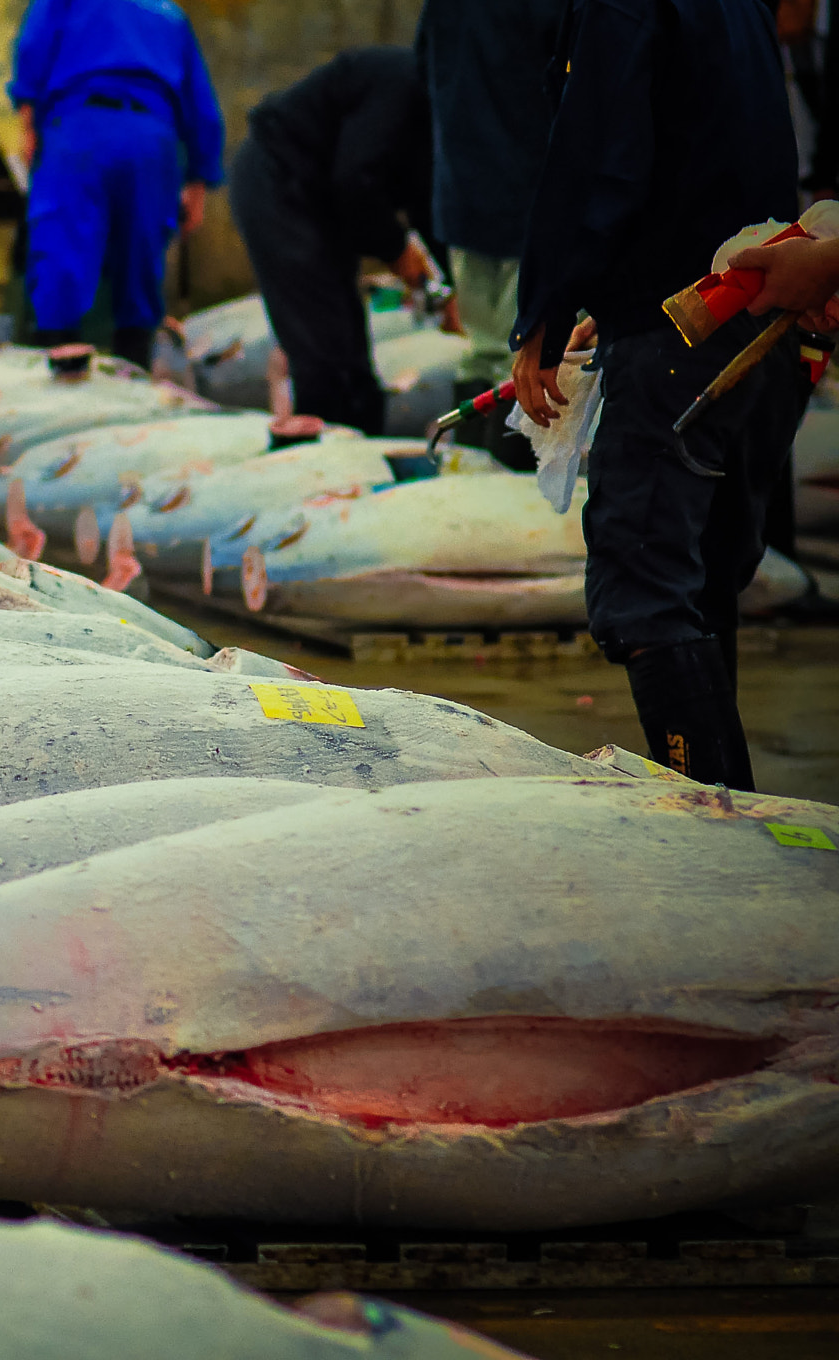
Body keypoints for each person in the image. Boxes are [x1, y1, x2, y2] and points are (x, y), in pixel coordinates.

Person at [511, 0, 804, 792]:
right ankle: (738, 824)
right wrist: (614, 293)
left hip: (682, 338)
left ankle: (718, 841)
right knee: (700, 587)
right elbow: (717, 151)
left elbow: (600, 154)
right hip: (755, 322)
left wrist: (544, 302)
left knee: (644, 593)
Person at [229, 46, 448, 436]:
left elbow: (428, 206)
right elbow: (356, 181)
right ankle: (330, 479)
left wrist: (448, 286)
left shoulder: (442, 118)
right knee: (327, 358)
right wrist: (397, 251)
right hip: (279, 183)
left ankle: (361, 454)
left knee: (351, 360)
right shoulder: (401, 82)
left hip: (321, 204)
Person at [8, 0, 223, 373]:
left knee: (62, 254)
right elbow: (201, 105)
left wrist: (27, 122)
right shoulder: (167, 13)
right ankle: (134, 372)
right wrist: (198, 182)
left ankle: (60, 372)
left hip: (79, 129)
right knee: (141, 263)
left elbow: (33, 49)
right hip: (151, 136)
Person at [414, 0, 566, 468]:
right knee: (519, 362)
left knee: (481, 354)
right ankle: (510, 499)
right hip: (531, 199)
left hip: (463, 196)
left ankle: (470, 478)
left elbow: (423, 71)